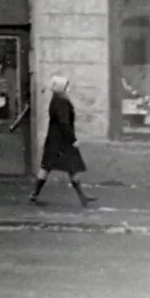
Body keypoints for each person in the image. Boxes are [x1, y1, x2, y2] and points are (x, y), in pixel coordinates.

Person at [30, 75, 97, 208]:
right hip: (61, 141)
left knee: (53, 167)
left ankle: (81, 196)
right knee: (67, 167)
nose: (67, 88)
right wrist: (72, 139)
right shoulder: (62, 101)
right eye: (66, 86)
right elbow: (64, 122)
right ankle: (34, 194)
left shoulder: (55, 99)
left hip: (54, 140)